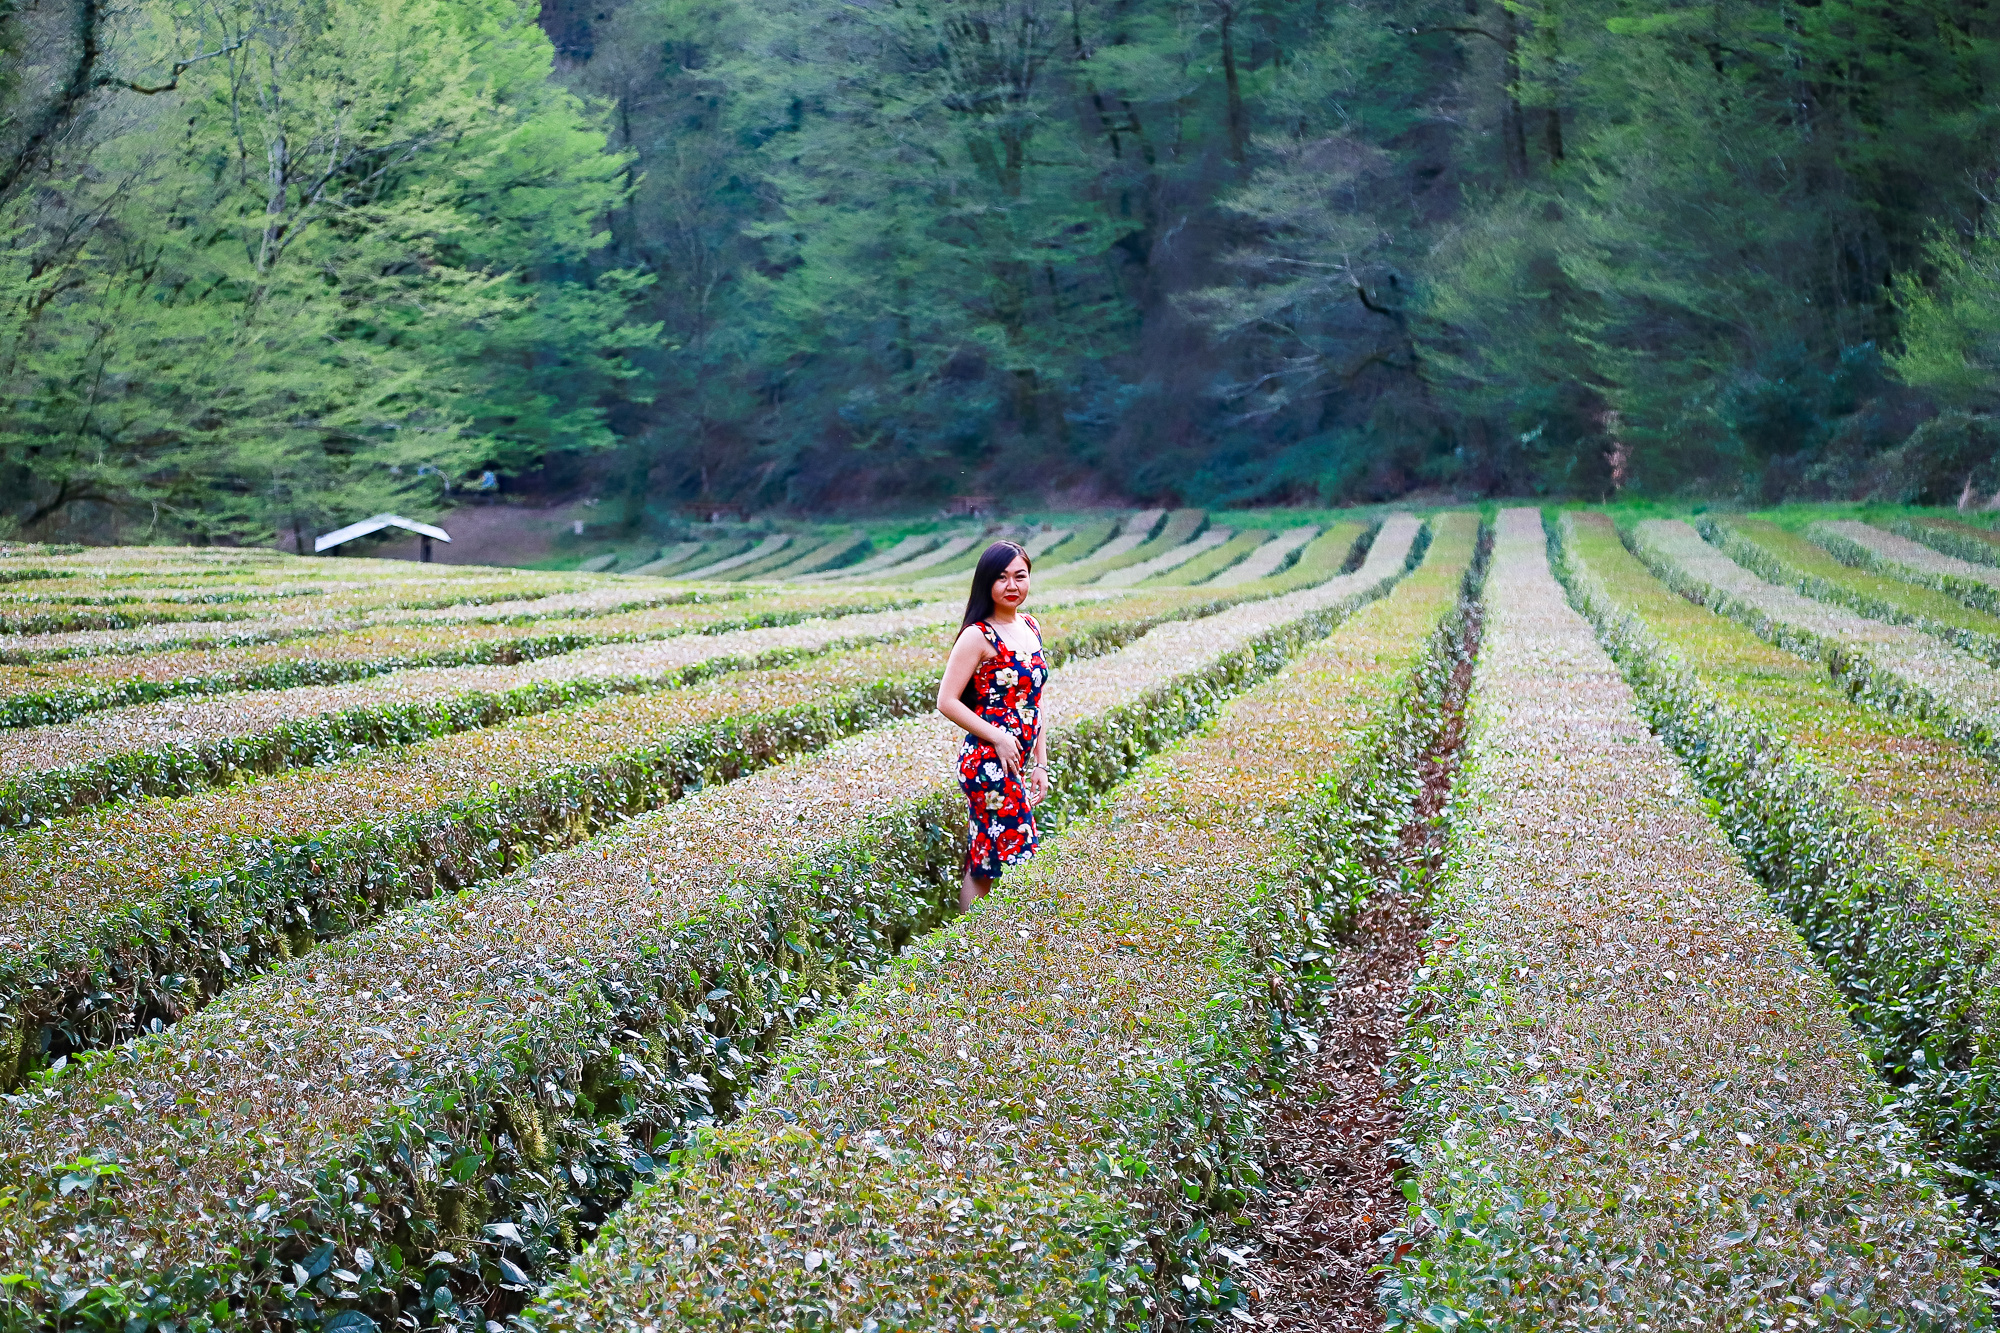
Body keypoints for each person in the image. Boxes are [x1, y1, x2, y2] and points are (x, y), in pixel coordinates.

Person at [937, 540, 1048, 912]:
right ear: (986, 583)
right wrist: (998, 736)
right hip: (987, 762)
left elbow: (1036, 699)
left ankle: (971, 944)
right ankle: (999, 945)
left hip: (1016, 759)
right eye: (1001, 578)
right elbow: (946, 700)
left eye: (1020, 576)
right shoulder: (978, 635)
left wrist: (1041, 764)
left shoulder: (1030, 626)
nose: (1012, 585)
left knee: (985, 856)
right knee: (1020, 854)